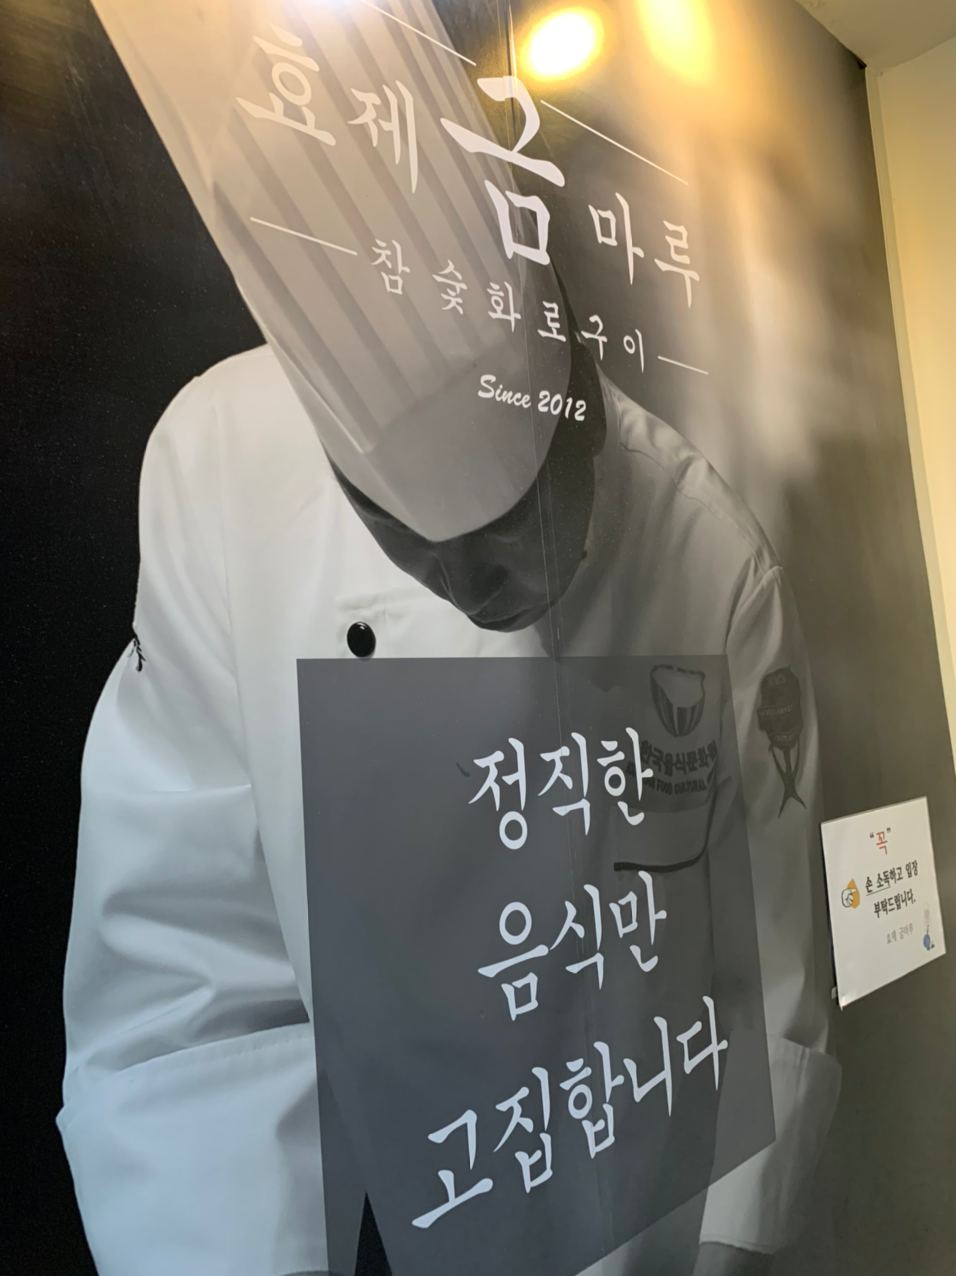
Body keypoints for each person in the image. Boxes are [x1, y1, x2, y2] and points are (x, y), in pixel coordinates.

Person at [62, 3, 840, 1272]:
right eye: (421, 542)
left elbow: (769, 983)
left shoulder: (711, 550)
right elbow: (186, 994)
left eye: (524, 517)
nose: (488, 582)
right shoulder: (218, 465)